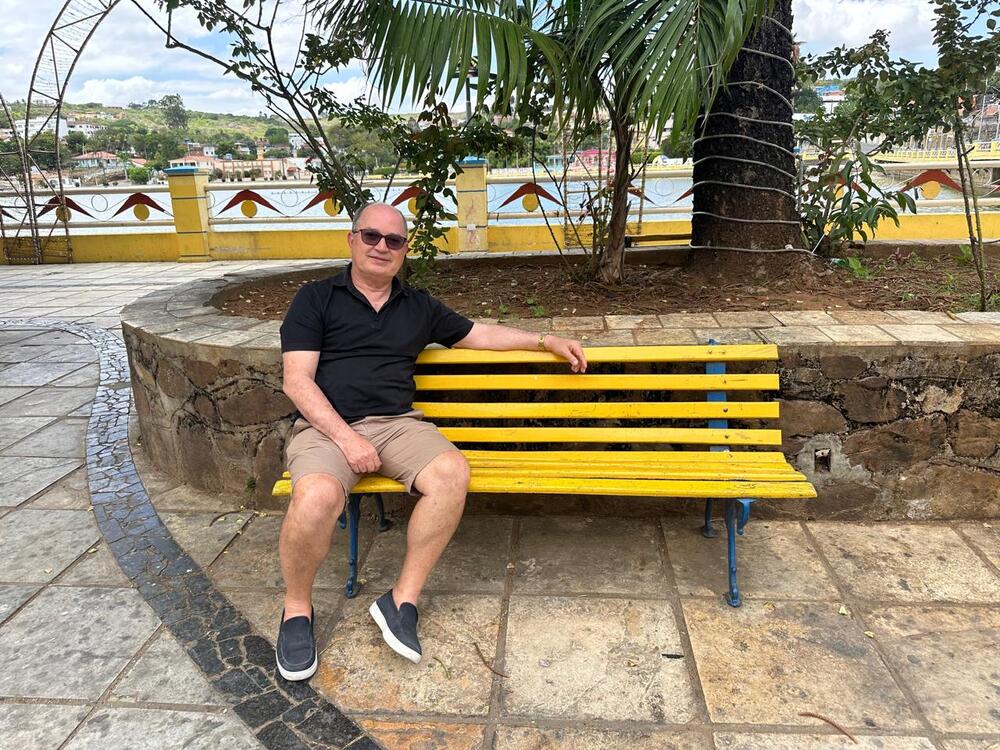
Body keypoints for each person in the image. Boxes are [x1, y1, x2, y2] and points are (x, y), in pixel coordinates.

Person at [275, 201, 587, 681]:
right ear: (352, 240)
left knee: (451, 473)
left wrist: (545, 341)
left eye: (394, 240)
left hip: (398, 425)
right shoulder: (315, 299)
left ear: (405, 250)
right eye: (371, 236)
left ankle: (402, 601)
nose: (382, 246)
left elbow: (479, 335)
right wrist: (348, 439)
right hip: (326, 427)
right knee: (316, 496)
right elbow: (297, 381)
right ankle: (297, 609)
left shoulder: (417, 306)